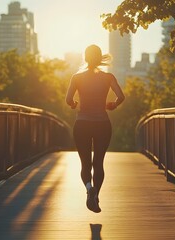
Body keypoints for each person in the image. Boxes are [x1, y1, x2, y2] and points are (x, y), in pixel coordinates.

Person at [65, 44, 125, 213]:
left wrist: (74, 104)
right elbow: (121, 96)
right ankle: (96, 196)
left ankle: (89, 187)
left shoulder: (76, 77)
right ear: (99, 58)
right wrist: (112, 105)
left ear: (85, 57)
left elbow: (68, 99)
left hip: (82, 124)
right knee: (98, 162)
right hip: (102, 124)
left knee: (85, 163)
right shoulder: (108, 77)